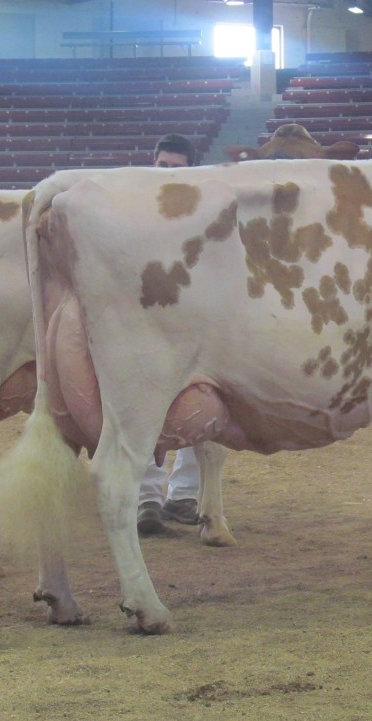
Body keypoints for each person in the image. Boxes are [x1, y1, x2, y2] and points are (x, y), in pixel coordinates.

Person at [136, 133, 203, 535]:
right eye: (163, 167)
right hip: (145, 324)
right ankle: (147, 498)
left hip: (194, 323)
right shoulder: (133, 212)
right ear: (152, 164)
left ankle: (184, 495)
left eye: (177, 169)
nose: (168, 175)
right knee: (142, 407)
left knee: (203, 406)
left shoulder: (205, 216)